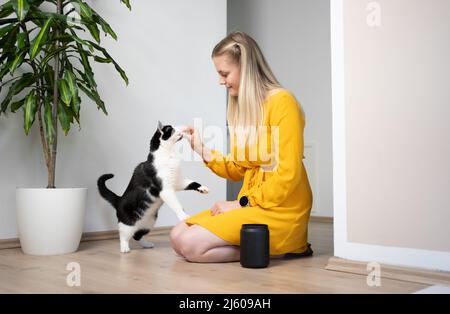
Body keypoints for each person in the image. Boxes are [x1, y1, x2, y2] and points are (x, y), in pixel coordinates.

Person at [171, 32, 313, 263]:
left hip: (281, 210)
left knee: (189, 244)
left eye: (224, 73)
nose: (221, 81)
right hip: (253, 205)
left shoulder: (283, 102)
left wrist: (240, 204)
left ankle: (290, 244)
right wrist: (201, 149)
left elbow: (288, 174)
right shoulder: (244, 108)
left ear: (245, 68)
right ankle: (260, 245)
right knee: (177, 236)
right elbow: (238, 168)